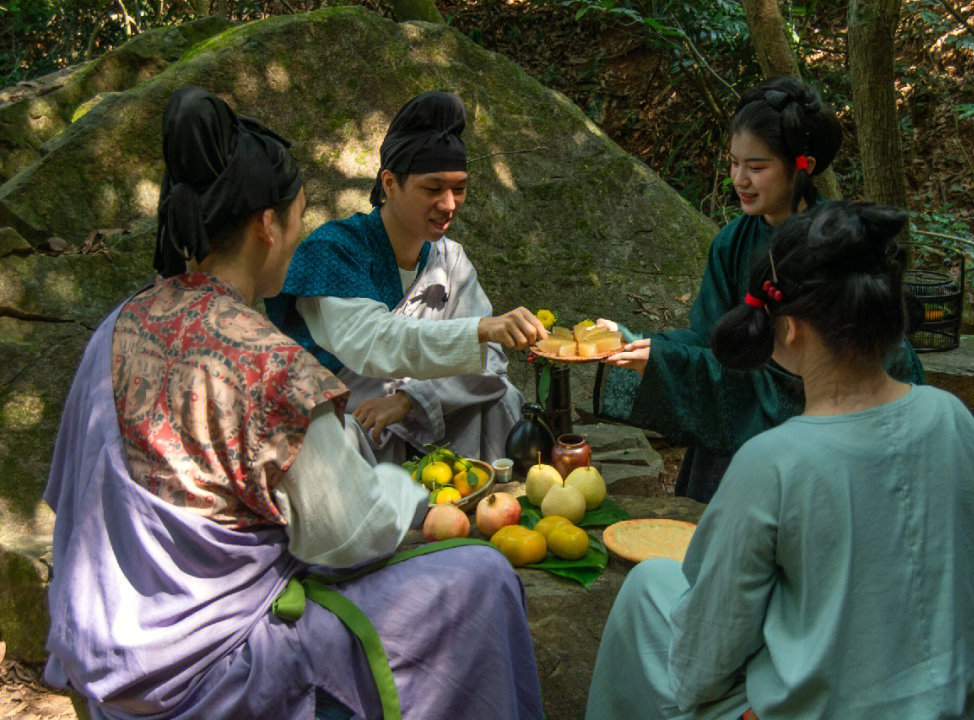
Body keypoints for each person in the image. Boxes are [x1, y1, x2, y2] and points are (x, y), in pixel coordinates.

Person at [43, 86, 544, 720]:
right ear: (267, 225)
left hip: (107, 665)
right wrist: (411, 499)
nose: (448, 205)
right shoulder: (274, 366)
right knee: (485, 578)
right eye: (298, 214)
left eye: (458, 189)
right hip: (207, 676)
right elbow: (352, 537)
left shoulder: (118, 325)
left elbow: (70, 495)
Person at [585, 201, 974, 719]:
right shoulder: (956, 421)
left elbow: (703, 662)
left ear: (792, 328)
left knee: (649, 593)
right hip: (949, 706)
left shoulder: (774, 460)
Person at [596, 76, 923, 502]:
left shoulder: (841, 242)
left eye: (757, 167)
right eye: (733, 163)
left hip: (829, 416)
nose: (739, 179)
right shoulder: (731, 243)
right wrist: (648, 350)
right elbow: (710, 338)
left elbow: (860, 352)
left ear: (801, 165)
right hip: (738, 412)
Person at [266, 91, 542, 466]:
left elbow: (490, 360)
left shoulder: (449, 259)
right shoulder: (332, 252)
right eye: (433, 189)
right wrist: (480, 329)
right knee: (337, 435)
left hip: (413, 414)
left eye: (459, 189)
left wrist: (410, 400)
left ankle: (498, 500)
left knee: (502, 396)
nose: (449, 205)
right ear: (390, 183)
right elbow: (374, 342)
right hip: (349, 417)